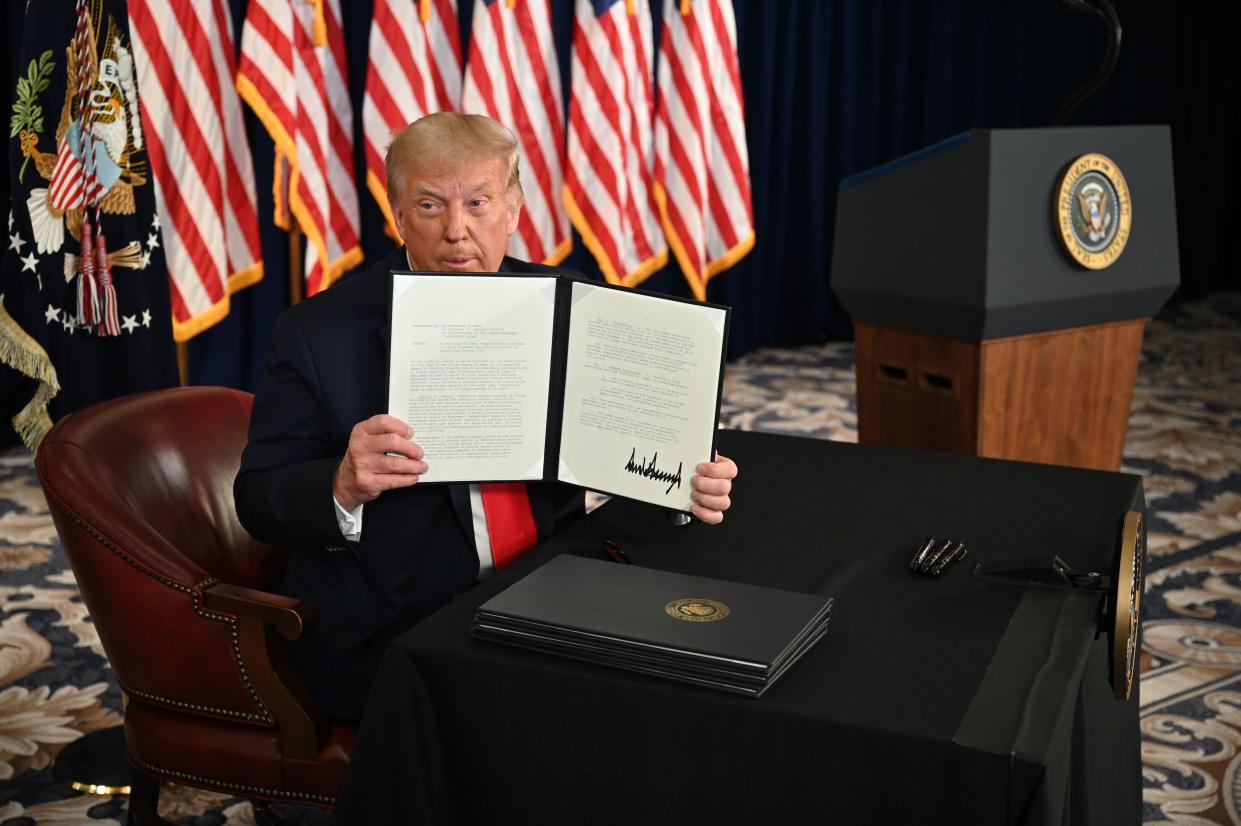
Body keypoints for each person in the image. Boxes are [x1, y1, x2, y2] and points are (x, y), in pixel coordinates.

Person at [234, 112, 737, 722]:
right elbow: (259, 499)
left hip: (562, 591)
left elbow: (626, 455)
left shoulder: (573, 304)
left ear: (514, 211)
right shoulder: (319, 334)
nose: (456, 230)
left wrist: (684, 477)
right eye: (428, 205)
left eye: (478, 202)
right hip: (410, 622)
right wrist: (340, 483)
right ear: (397, 216)